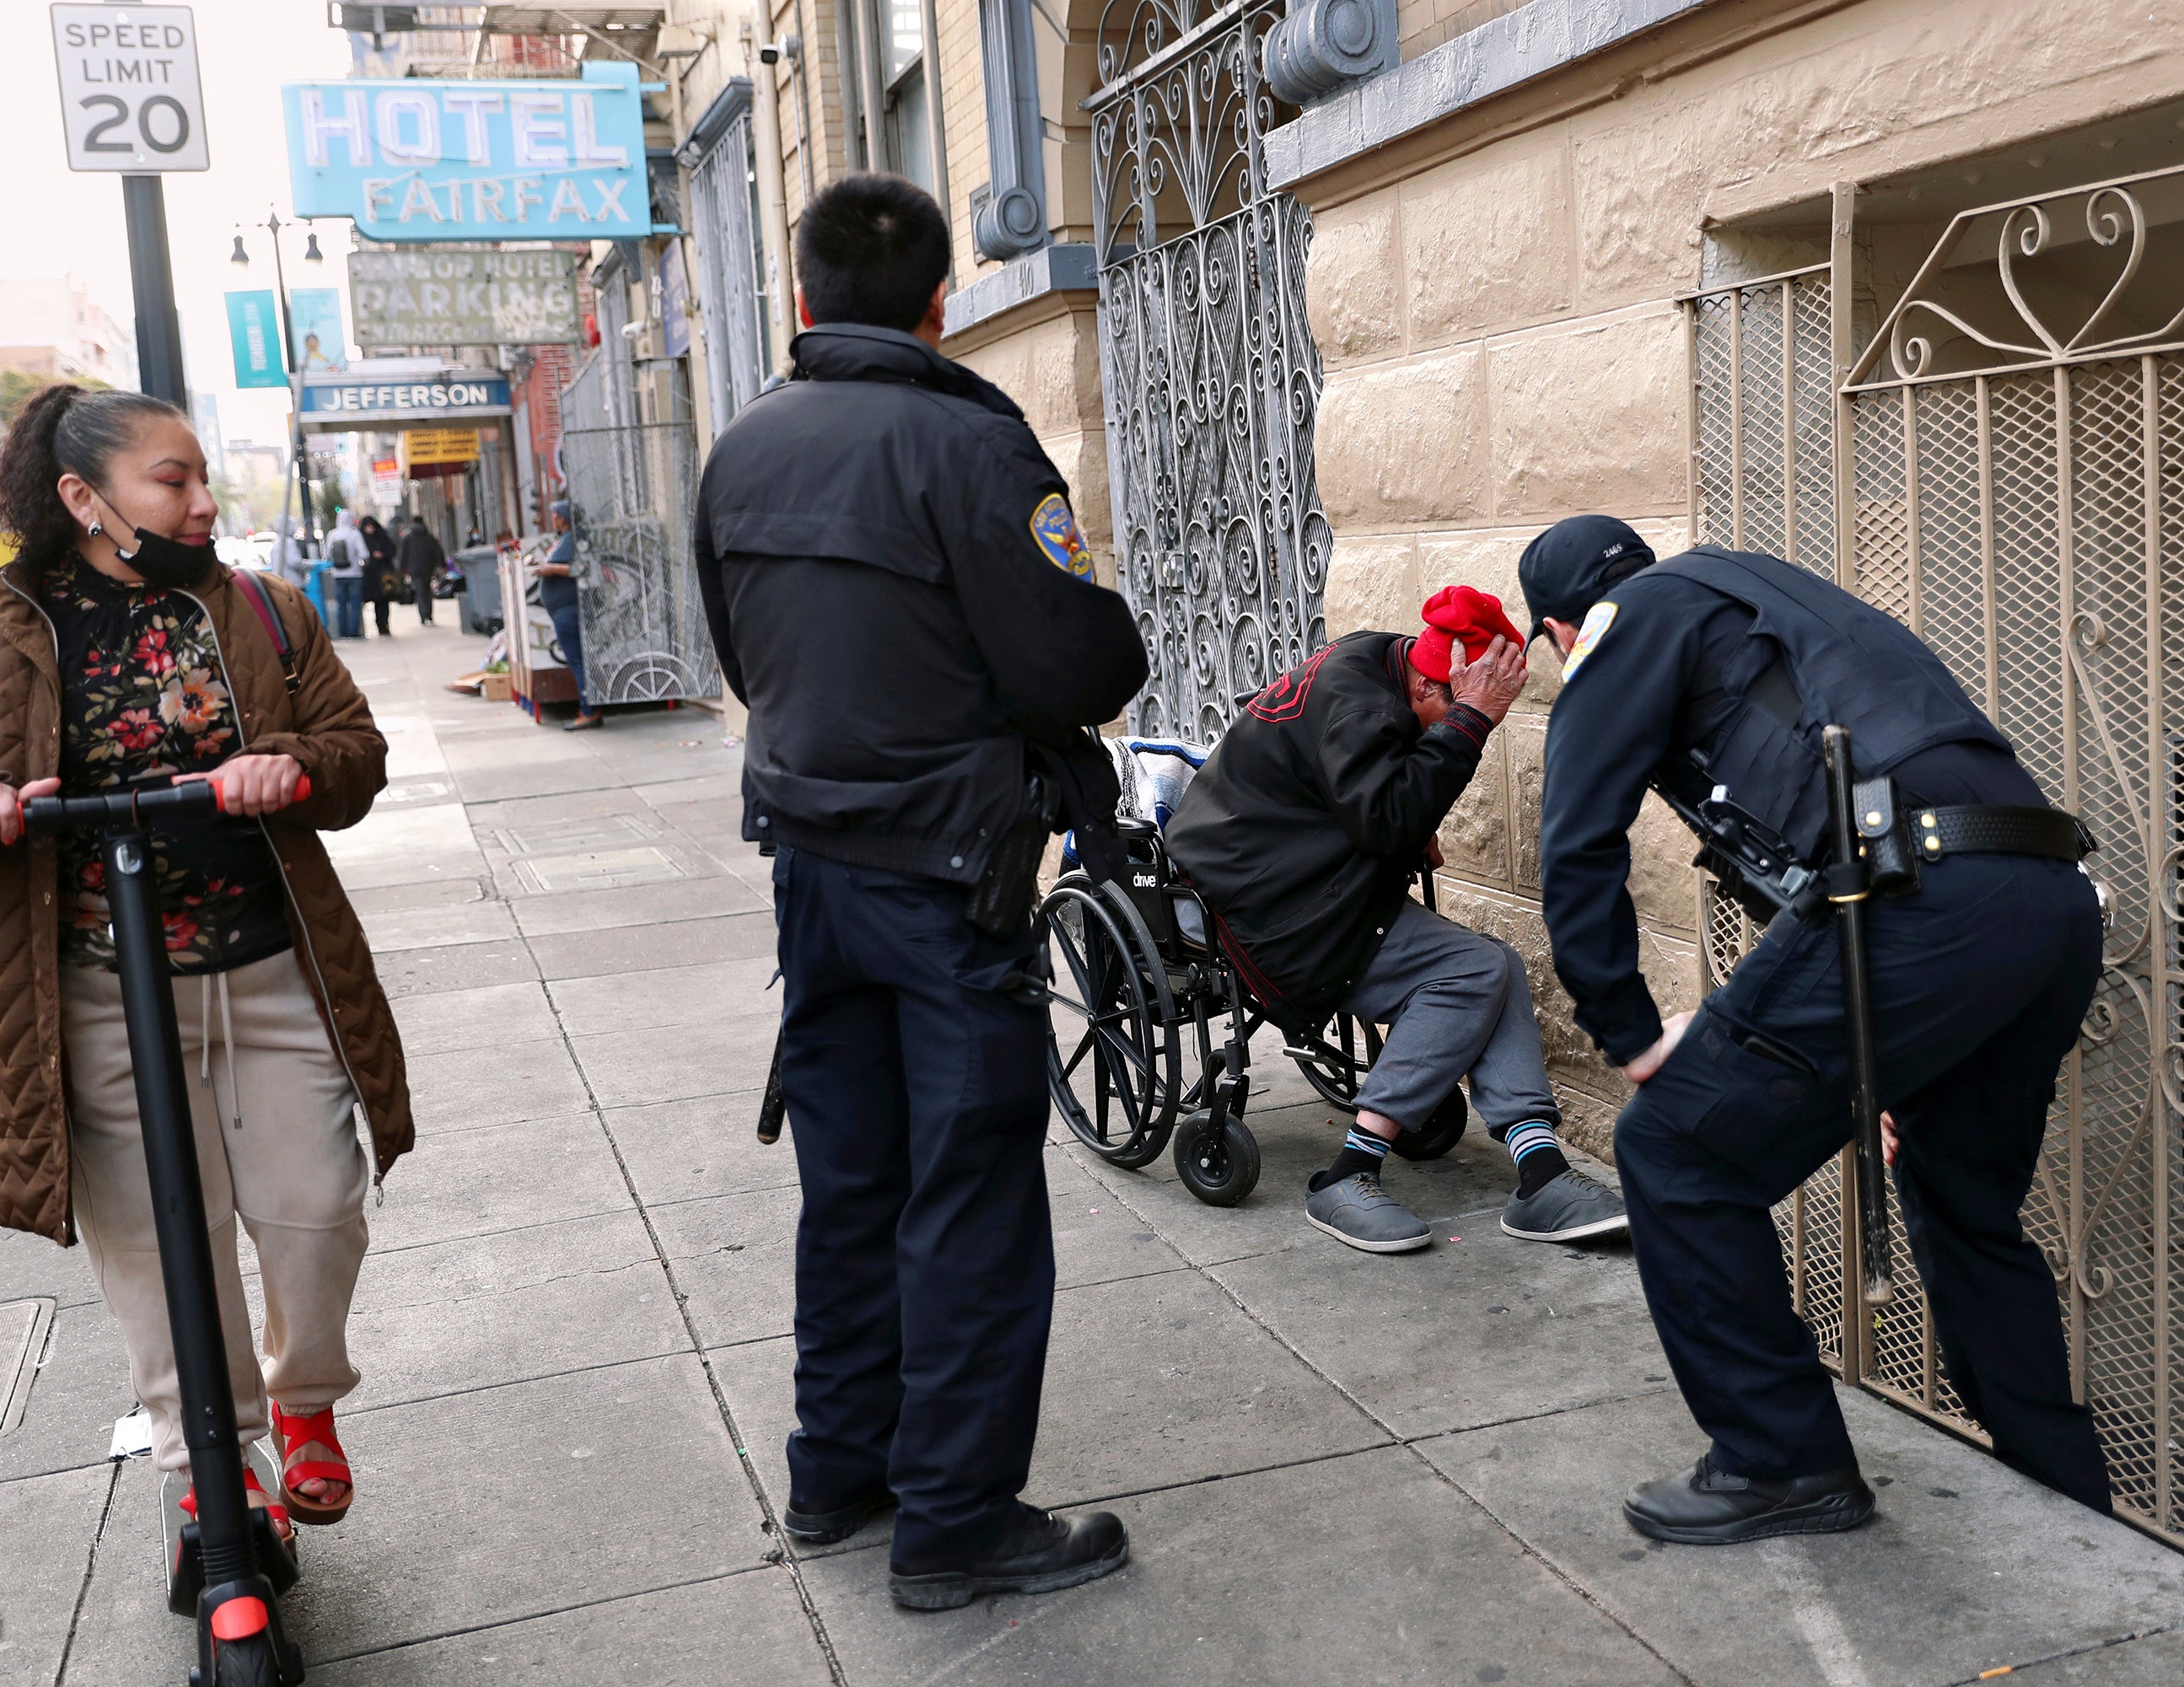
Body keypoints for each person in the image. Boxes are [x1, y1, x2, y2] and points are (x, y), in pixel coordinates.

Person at [694, 173, 1148, 1613]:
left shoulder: (741, 450)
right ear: (941, 302)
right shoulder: (969, 442)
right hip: (953, 879)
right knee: (967, 1198)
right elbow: (1076, 667)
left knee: (851, 1183)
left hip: (813, 870)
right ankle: (953, 1520)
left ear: (806, 300)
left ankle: (841, 1470)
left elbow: (742, 658)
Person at [1522, 513, 2110, 1545]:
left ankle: (1780, 1460)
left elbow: (1575, 838)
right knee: (1965, 1199)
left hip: (1923, 900)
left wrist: (1628, 1032)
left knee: (1674, 1150)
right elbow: (1820, 817)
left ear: (1560, 630)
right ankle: (2064, 1488)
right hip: (2046, 898)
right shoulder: (1764, 598)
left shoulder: (1626, 621)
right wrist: (1883, 1064)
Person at [0, 384, 413, 1566]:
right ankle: (208, 1476)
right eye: (170, 479)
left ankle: (303, 1395)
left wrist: (286, 765)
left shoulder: (260, 608)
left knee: (317, 1209)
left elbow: (357, 753)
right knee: (150, 1245)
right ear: (83, 497)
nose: (200, 498)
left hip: (271, 969)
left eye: (200, 476)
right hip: (88, 987)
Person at [1166, 587, 1630, 1255]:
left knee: (1496, 963)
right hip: (1269, 909)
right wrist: (1468, 724)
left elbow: (1360, 793)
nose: (1456, 727)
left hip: (1304, 875)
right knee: (1473, 972)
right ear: (1423, 679)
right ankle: (1347, 1173)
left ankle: (1541, 1171)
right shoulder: (1358, 703)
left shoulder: (1378, 661)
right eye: (1451, 705)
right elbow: (1384, 817)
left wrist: (1419, 802)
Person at [532, 502, 601, 730]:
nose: (553, 518)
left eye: (556, 515)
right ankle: (587, 708)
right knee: (577, 661)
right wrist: (541, 566)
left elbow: (582, 568)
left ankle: (589, 711)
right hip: (562, 610)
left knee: (578, 662)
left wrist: (550, 569)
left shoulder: (576, 537)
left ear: (566, 518)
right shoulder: (564, 539)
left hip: (570, 609)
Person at [323, 508, 365, 639]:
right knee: (355, 603)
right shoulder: (355, 534)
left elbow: (327, 554)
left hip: (338, 574)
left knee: (341, 604)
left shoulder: (332, 534)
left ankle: (343, 632)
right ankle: (353, 632)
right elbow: (364, 554)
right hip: (355, 574)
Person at [397, 513, 444, 627]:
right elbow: (438, 551)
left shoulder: (407, 538)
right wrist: (441, 565)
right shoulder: (429, 536)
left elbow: (404, 555)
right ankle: (428, 615)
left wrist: (402, 569)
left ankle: (424, 616)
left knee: (420, 591)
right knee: (427, 591)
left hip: (414, 568)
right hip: (428, 567)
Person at [358, 515, 400, 637]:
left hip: (383, 575)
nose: (370, 529)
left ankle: (383, 624)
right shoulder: (361, 538)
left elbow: (392, 550)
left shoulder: (382, 537)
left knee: (383, 600)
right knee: (372, 599)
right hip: (369, 575)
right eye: (367, 526)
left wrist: (383, 555)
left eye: (372, 526)